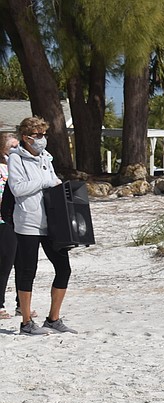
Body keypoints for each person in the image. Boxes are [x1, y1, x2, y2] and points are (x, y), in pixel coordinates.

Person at [7, 116, 76, 335]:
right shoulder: (16, 158)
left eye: (43, 134)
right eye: (37, 135)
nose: (42, 139)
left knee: (64, 268)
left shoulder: (47, 157)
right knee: (28, 271)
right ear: (26, 137)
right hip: (28, 222)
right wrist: (45, 182)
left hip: (52, 223)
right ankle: (26, 322)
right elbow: (18, 188)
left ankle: (53, 319)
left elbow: (53, 181)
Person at [0, 133, 20, 319]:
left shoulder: (20, 165)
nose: (16, 148)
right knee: (5, 262)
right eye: (12, 146)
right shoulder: (2, 169)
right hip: (3, 219)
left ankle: (21, 303)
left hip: (21, 218)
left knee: (22, 262)